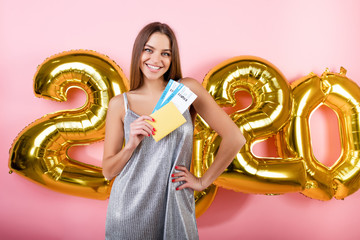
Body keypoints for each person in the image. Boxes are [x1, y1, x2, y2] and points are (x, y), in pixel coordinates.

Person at [102, 22, 245, 240]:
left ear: (172, 58)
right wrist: (130, 145)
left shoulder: (185, 91)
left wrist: (202, 181)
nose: (156, 60)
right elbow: (108, 171)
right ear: (138, 52)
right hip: (129, 211)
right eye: (148, 50)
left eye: (165, 53)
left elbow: (235, 138)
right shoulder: (120, 105)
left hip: (175, 205)